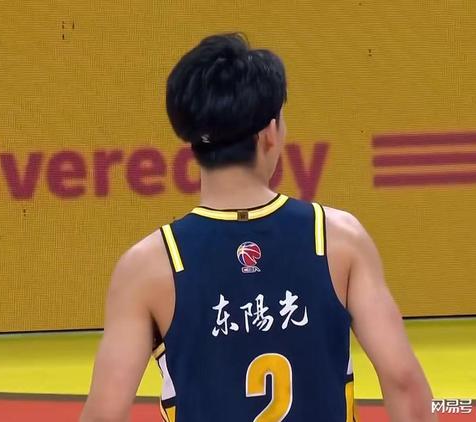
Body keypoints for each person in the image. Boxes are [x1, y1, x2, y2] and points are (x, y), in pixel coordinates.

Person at [80, 33, 436, 422]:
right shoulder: (337, 237)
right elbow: (403, 382)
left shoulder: (149, 264)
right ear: (269, 132)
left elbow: (105, 413)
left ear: (192, 140)